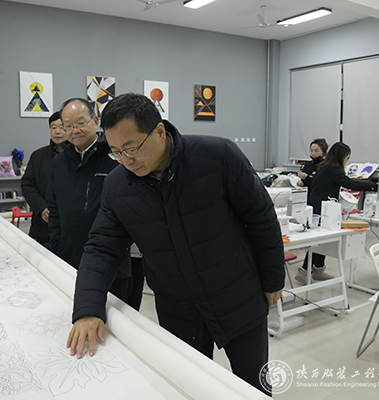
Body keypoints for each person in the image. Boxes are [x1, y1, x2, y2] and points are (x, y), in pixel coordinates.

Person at [66, 93, 284, 396]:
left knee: (253, 386)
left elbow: (261, 218)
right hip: (178, 309)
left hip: (238, 297)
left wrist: (273, 280)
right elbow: (102, 247)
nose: (126, 160)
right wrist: (88, 308)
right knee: (190, 387)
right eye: (116, 152)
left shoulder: (217, 157)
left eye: (131, 148)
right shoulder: (118, 186)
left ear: (159, 131)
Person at [45, 98, 131, 302]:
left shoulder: (116, 158)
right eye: (68, 126)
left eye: (81, 123)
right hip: (69, 258)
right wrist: (57, 243)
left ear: (95, 121)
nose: (75, 130)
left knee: (113, 317)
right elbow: (53, 209)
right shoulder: (59, 163)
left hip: (111, 261)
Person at [295, 141, 379, 284]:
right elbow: (350, 183)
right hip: (322, 208)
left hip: (319, 206)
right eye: (347, 157)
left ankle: (318, 269)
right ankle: (304, 271)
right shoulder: (333, 168)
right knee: (319, 241)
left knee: (324, 240)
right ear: (342, 156)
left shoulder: (325, 166)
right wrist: (374, 186)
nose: (347, 160)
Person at [21, 111, 66, 246]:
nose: (57, 132)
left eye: (62, 127)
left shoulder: (78, 156)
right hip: (44, 226)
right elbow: (27, 184)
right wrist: (41, 208)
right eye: (53, 127)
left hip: (71, 229)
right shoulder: (38, 156)